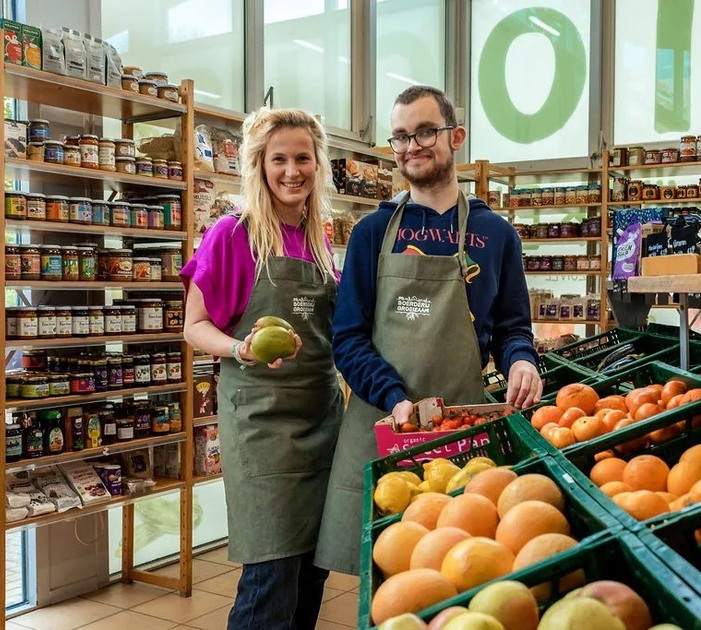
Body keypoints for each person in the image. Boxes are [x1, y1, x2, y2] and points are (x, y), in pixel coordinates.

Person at [314, 85, 543, 576]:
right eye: (400, 137)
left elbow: (511, 328)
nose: (412, 146)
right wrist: (395, 397)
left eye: (425, 132)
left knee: (460, 573)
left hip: (460, 432)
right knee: (387, 583)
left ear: (455, 136)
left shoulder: (496, 235)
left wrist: (522, 359)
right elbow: (348, 339)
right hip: (383, 424)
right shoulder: (372, 232)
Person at [180, 107, 343, 629]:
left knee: (312, 570)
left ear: (318, 165)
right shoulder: (233, 235)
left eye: (303, 158)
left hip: (321, 419)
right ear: (259, 164)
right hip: (262, 423)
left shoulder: (321, 241)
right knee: (271, 575)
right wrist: (240, 349)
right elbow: (194, 326)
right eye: (279, 159)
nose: (292, 170)